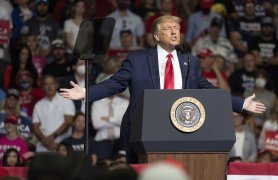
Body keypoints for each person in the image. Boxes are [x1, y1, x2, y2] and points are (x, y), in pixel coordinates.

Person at [60, 15, 266, 163]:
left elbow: (207, 89)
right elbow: (115, 83)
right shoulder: (138, 59)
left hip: (181, 131)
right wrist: (87, 93)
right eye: (168, 28)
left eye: (176, 28)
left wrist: (241, 103)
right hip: (143, 130)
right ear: (156, 36)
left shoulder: (190, 62)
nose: (174, 31)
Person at [32, 75, 75, 152]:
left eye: (51, 83)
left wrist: (52, 137)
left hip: (62, 146)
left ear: (56, 85)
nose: (49, 87)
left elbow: (68, 122)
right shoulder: (38, 105)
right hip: (42, 146)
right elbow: (35, 127)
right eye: (46, 84)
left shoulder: (66, 100)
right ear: (42, 87)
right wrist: (45, 140)